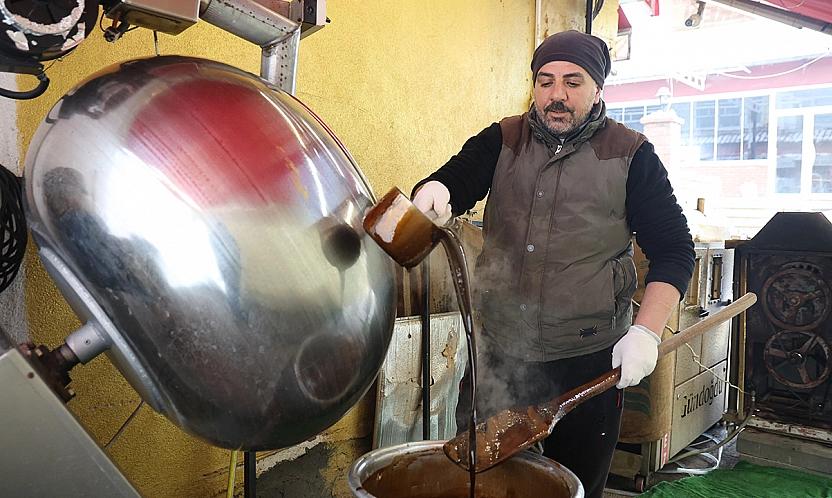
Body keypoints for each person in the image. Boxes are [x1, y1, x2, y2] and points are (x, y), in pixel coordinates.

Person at [411, 30, 696, 498]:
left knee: (573, 487)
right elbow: (455, 179)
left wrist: (646, 331)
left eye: (573, 81)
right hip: (499, 354)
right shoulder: (502, 139)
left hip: (588, 363)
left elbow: (674, 249)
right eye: (545, 82)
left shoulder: (631, 155)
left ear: (598, 88)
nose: (556, 95)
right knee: (476, 483)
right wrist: (436, 191)